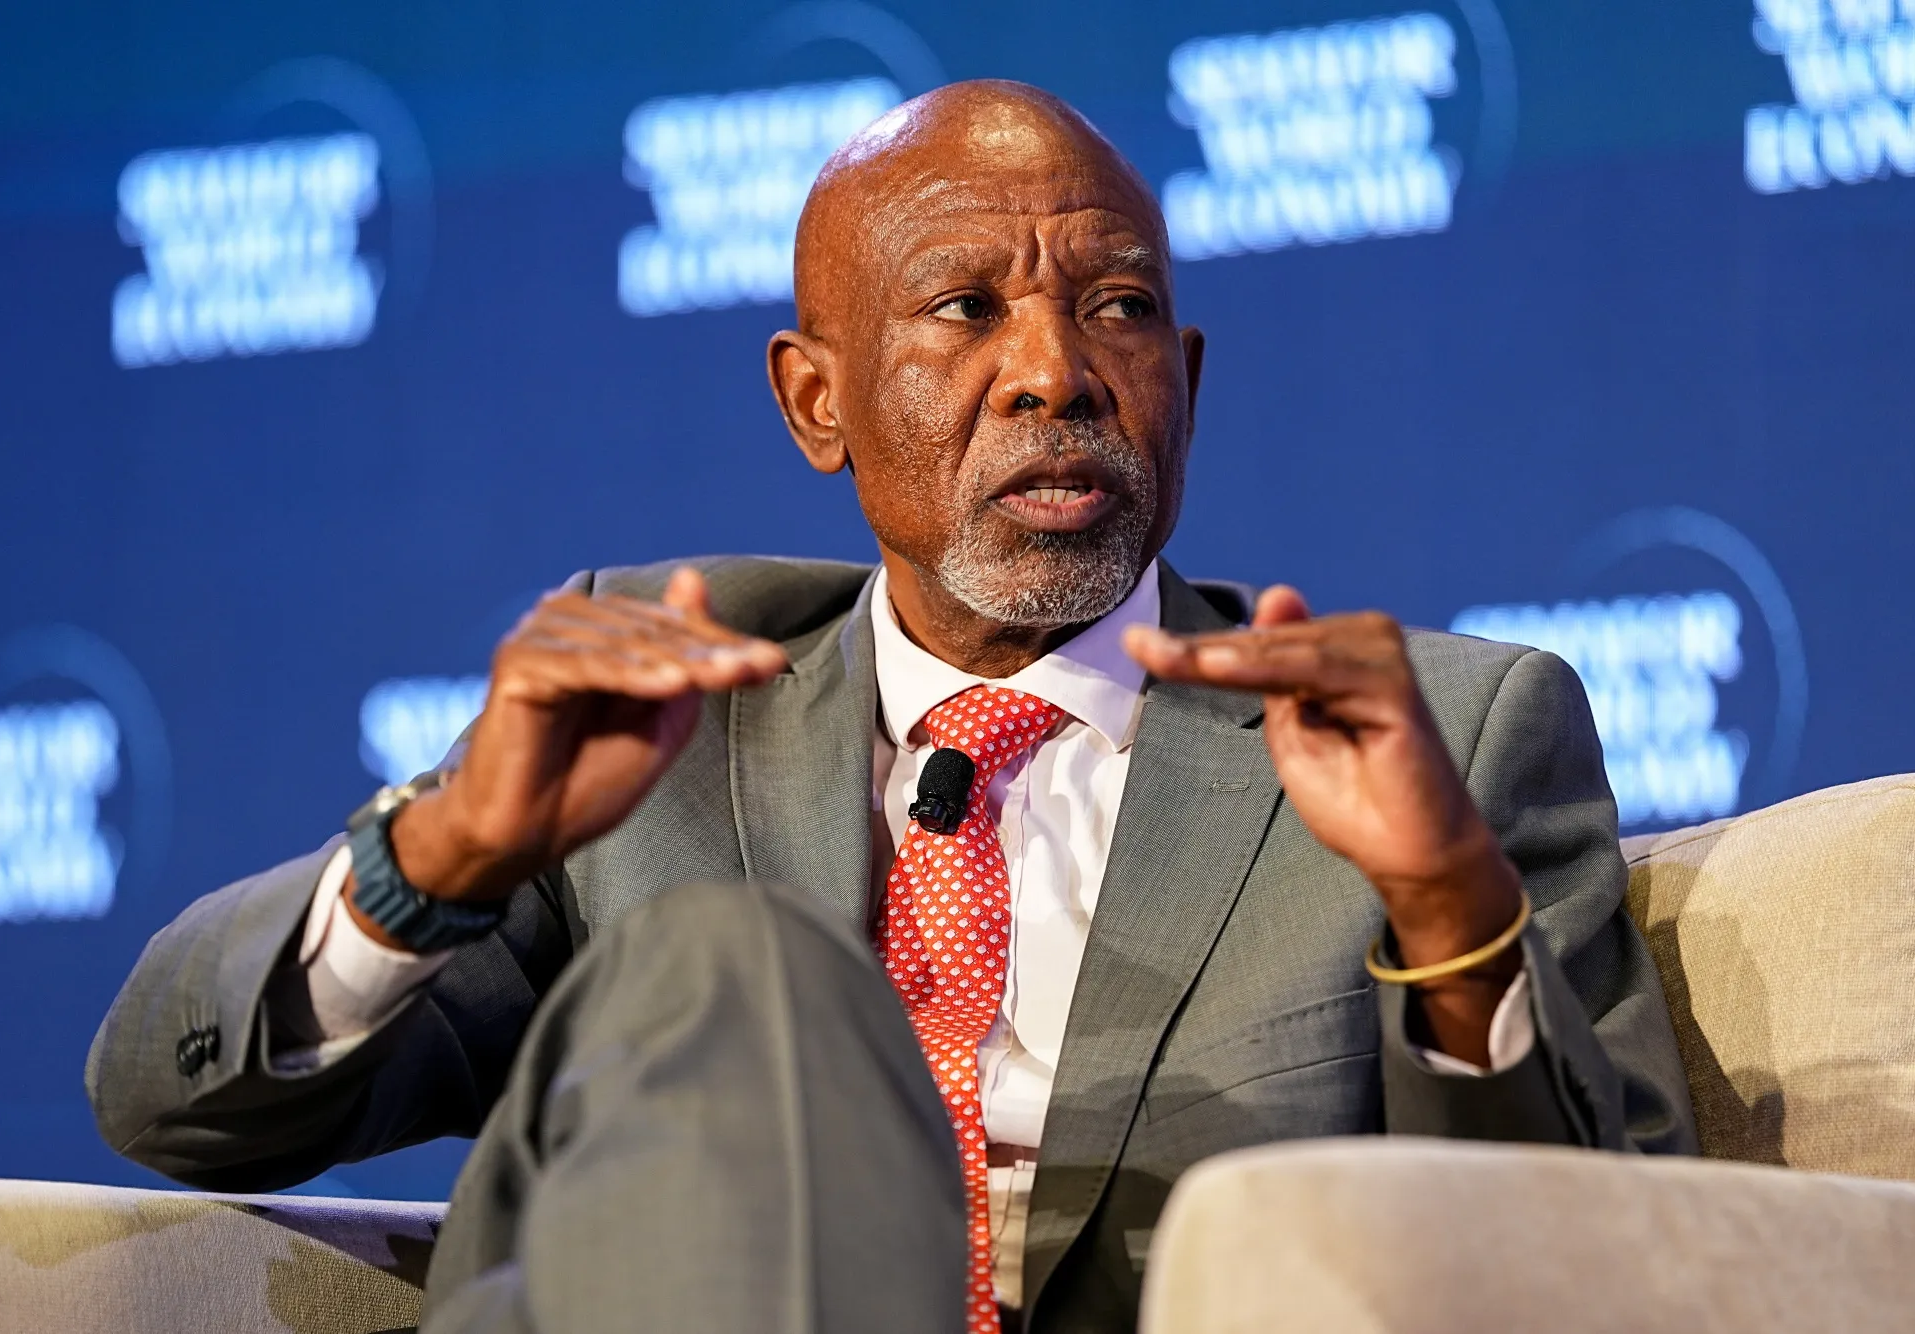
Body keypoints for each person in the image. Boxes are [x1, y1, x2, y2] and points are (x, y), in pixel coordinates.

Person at [87, 81, 1695, 1334]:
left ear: (1188, 384)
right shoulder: (661, 704)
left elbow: (1620, 1268)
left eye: (1117, 307)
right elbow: (172, 1099)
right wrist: (433, 857)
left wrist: (1446, 910)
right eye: (966, 307)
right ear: (817, 401)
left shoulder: (1443, 743)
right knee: (738, 971)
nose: (1055, 370)